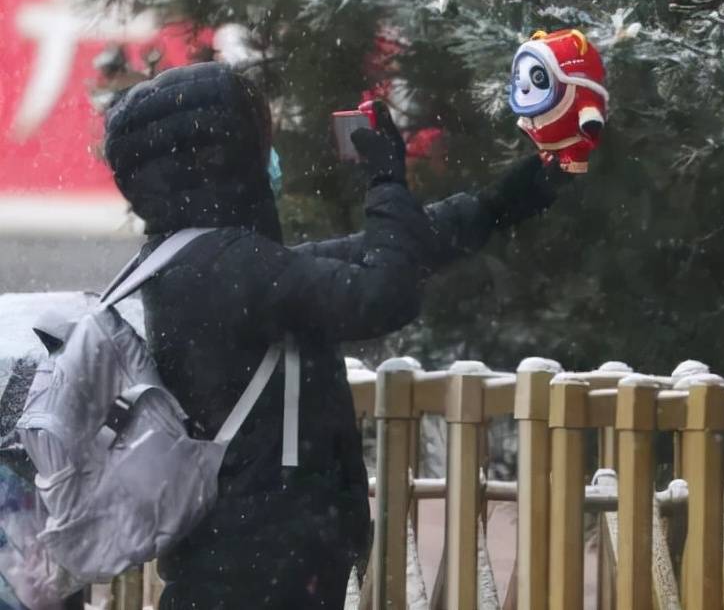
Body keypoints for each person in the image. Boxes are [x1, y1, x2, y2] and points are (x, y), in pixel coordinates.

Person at [101, 61, 562, 609]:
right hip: (261, 570)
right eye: (258, 146)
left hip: (242, 562)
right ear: (219, 161)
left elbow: (378, 254)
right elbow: (382, 293)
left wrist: (503, 201)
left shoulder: (192, 260)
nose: (269, 160)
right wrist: (386, 179)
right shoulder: (230, 265)